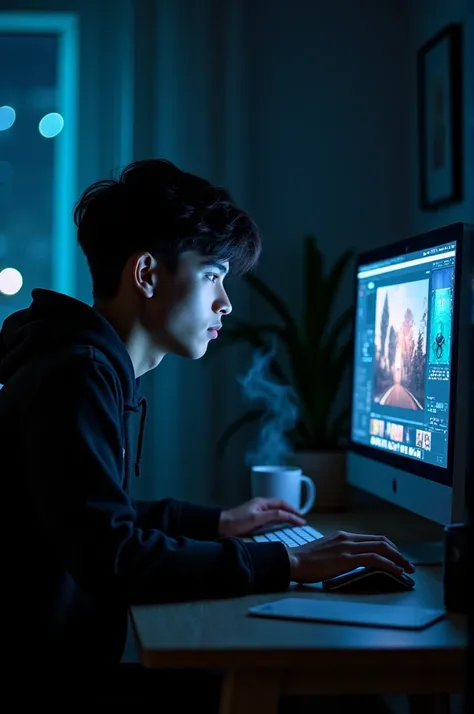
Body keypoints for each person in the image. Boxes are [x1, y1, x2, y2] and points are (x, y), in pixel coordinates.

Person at [0, 159, 414, 700]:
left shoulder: (78, 363)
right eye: (213, 275)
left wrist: (217, 522)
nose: (226, 303)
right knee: (334, 696)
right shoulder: (76, 376)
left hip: (63, 667)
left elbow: (83, 516)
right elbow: (112, 556)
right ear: (147, 274)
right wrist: (287, 561)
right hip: (54, 682)